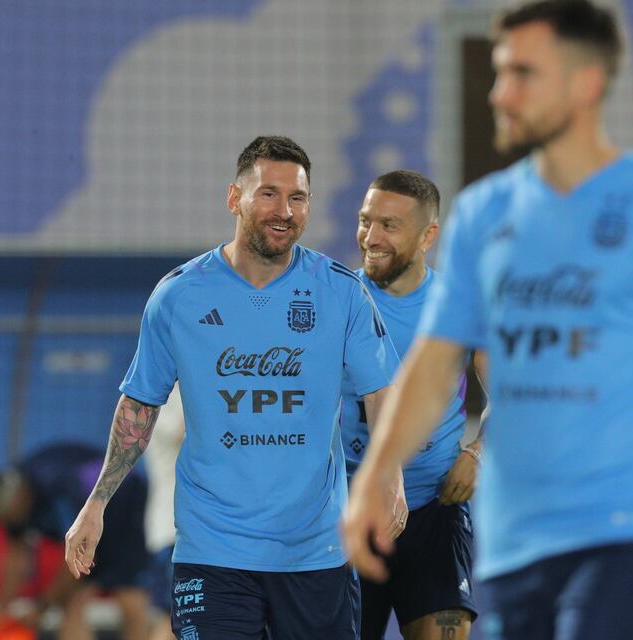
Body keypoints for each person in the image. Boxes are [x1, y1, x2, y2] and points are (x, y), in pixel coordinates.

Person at [340, 2, 633, 639]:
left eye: (523, 74)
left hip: (624, 528)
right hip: (514, 538)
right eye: (499, 72)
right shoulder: (484, 216)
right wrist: (376, 475)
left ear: (586, 84)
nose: (499, 92)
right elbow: (430, 370)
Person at [64, 135, 402, 639]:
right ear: (233, 199)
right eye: (268, 193)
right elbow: (140, 405)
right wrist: (96, 504)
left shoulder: (341, 292)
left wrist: (389, 475)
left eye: (297, 197)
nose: (284, 210)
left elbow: (380, 393)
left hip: (315, 551)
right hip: (212, 550)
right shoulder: (179, 296)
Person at [340, 169, 482, 640]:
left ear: (428, 236)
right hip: (349, 510)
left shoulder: (458, 308)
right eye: (366, 221)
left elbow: (515, 399)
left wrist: (479, 453)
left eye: (389, 226)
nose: (370, 237)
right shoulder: (335, 301)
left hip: (434, 509)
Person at [0, 442, 154, 640]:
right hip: (93, 516)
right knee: (72, 603)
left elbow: (75, 556)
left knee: (128, 596)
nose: (11, 522)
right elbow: (17, 557)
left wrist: (42, 607)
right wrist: (0, 612)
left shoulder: (57, 487)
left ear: (20, 497)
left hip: (123, 500)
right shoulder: (15, 508)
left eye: (9, 515)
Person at [142, 382, 184, 640]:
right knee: (172, 618)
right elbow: (186, 433)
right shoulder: (167, 397)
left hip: (188, 531)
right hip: (172, 531)